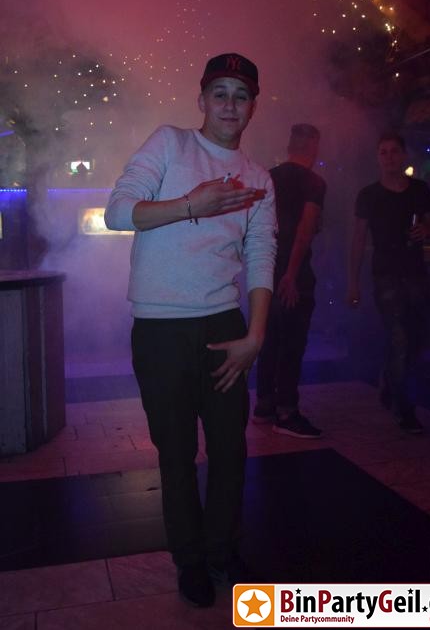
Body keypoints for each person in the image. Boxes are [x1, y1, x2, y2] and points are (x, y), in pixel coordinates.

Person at [104, 53, 276, 608]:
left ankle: (223, 551)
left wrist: (255, 336)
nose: (229, 104)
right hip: (160, 328)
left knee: (230, 450)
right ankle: (191, 560)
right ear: (201, 100)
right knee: (176, 454)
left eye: (241, 95)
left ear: (253, 107)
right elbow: (117, 212)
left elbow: (261, 256)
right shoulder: (171, 144)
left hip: (223, 323)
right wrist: (190, 205)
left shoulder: (258, 178)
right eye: (219, 92)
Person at [347, 132, 430, 434]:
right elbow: (358, 239)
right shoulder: (369, 194)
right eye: (383, 152)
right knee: (399, 337)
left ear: (404, 155)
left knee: (418, 336)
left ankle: (390, 381)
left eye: (394, 151)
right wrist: (353, 283)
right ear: (377, 158)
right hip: (385, 274)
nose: (388, 157)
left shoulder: (419, 190)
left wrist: (425, 230)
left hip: (416, 272)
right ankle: (403, 407)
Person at [253, 123, 326, 438]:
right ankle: (286, 411)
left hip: (265, 271)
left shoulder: (267, 177)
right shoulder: (313, 182)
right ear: (314, 146)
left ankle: (264, 405)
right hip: (291, 275)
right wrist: (292, 274)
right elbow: (305, 230)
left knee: (269, 339)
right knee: (292, 343)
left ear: (289, 145)